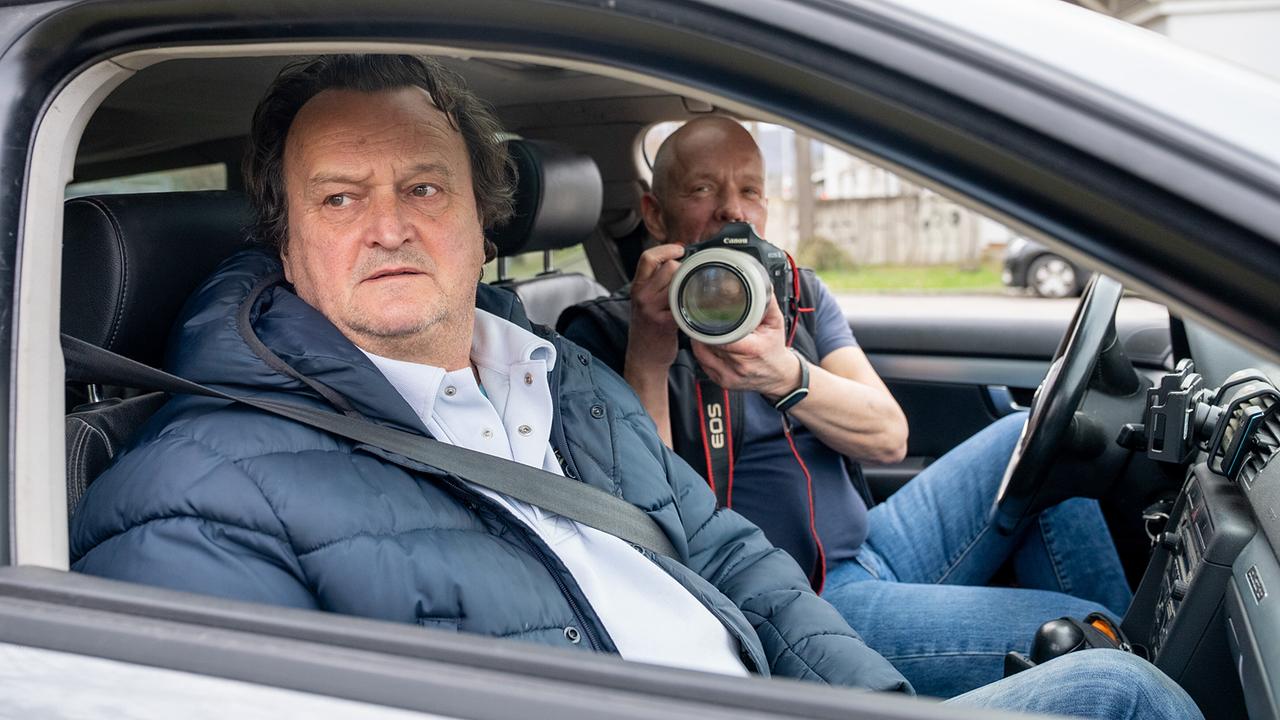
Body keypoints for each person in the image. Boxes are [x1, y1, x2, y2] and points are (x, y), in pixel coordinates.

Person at [70, 54, 1197, 719]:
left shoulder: (553, 375)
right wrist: (659, 351)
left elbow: (733, 562)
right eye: (337, 198)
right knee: (1120, 692)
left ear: (481, 221)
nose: (390, 226)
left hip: (786, 672)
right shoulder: (193, 493)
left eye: (424, 185)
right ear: (282, 235)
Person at [559, 116, 1133, 698]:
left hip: (874, 540)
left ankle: (1136, 659)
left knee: (1038, 436)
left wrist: (784, 374)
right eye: (703, 189)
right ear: (655, 213)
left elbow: (889, 437)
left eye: (750, 190)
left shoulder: (801, 295)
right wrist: (650, 357)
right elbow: (638, 520)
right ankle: (1127, 671)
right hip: (800, 603)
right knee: (1089, 631)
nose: (732, 210)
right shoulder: (605, 333)